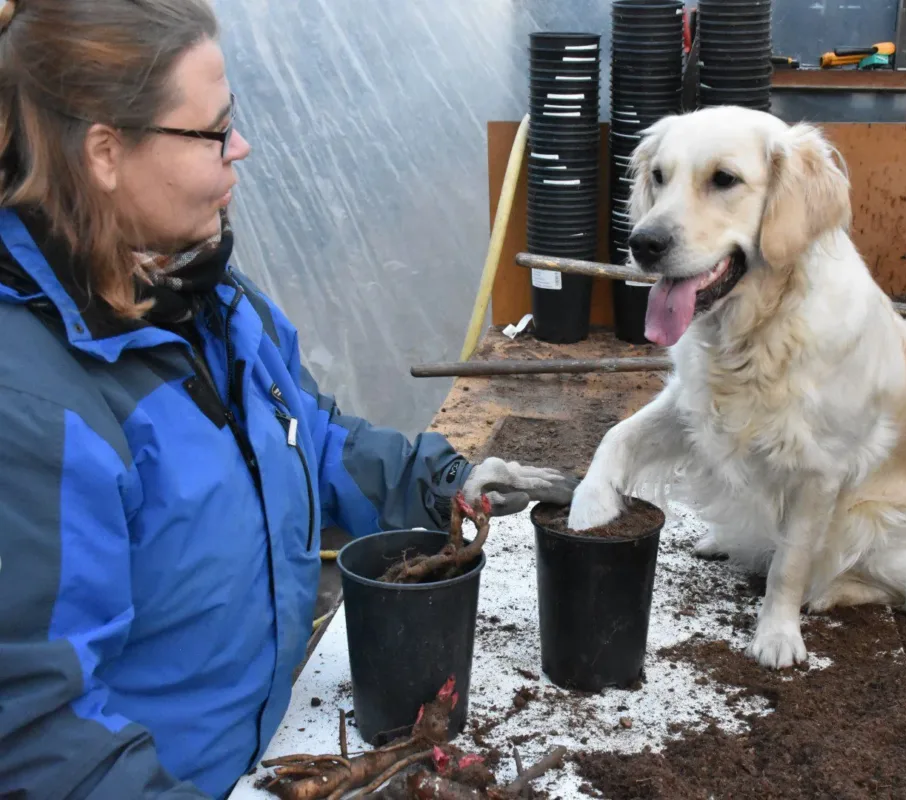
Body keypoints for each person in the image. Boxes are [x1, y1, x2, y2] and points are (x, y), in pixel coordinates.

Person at [0, 1, 577, 797]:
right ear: (105, 152)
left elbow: (310, 440)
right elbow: (38, 738)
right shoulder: (31, 406)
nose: (241, 145)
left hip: (256, 753)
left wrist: (443, 481)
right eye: (214, 131)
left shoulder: (201, 294)